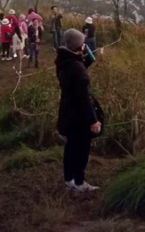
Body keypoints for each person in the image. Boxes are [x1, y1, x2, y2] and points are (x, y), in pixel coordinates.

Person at [56, 29, 101, 192]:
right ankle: (80, 183)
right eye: (83, 43)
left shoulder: (63, 62)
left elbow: (80, 66)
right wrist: (93, 120)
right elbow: (84, 99)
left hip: (67, 112)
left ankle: (69, 180)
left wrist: (84, 57)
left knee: (70, 148)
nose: (85, 45)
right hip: (79, 117)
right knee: (81, 150)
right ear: (79, 46)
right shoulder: (77, 69)